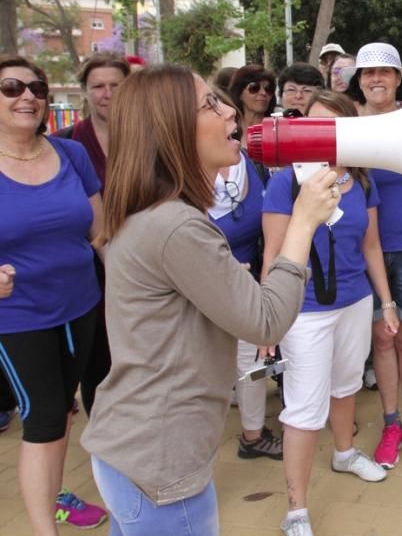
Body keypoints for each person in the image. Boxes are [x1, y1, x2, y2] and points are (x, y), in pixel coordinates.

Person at [82, 64, 340, 535]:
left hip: (131, 449)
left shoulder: (152, 212)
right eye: (209, 104)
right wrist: (302, 223)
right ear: (171, 129)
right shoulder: (178, 225)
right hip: (161, 461)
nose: (229, 111)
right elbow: (267, 323)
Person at [263, 90, 398, 536]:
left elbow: (371, 245)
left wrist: (387, 301)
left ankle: (344, 453)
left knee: (346, 385)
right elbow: (274, 252)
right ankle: (296, 508)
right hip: (304, 310)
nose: (324, 134)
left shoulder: (361, 179)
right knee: (303, 407)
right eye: (315, 124)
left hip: (355, 301)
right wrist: (265, 318)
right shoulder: (286, 182)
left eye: (334, 125)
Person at [0, 55, 109, 533]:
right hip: (18, 317)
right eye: (11, 87)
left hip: (81, 305)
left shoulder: (70, 155)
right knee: (43, 419)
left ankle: (54, 491)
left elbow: (100, 232)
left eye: (37, 88)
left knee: (64, 409)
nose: (27, 96)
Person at [342, 43, 402, 471]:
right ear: (358, 81)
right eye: (367, 74)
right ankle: (391, 422)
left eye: (384, 73)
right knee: (382, 339)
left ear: (398, 78)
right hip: (366, 247)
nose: (375, 80)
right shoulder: (346, 125)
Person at [201, 92, 283, 462]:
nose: (231, 117)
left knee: (252, 359)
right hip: (197, 289)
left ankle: (252, 434)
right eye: (210, 108)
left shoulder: (249, 162)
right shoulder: (171, 176)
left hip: (247, 280)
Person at [54, 53, 130, 416]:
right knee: (97, 364)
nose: (107, 94)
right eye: (98, 86)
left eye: (116, 85)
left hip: (141, 262)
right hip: (89, 273)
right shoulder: (64, 145)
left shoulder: (147, 140)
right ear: (85, 91)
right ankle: (104, 442)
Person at [229, 64, 277, 139]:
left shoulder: (278, 130)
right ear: (239, 94)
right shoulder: (228, 130)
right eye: (254, 88)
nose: (263, 93)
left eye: (268, 89)